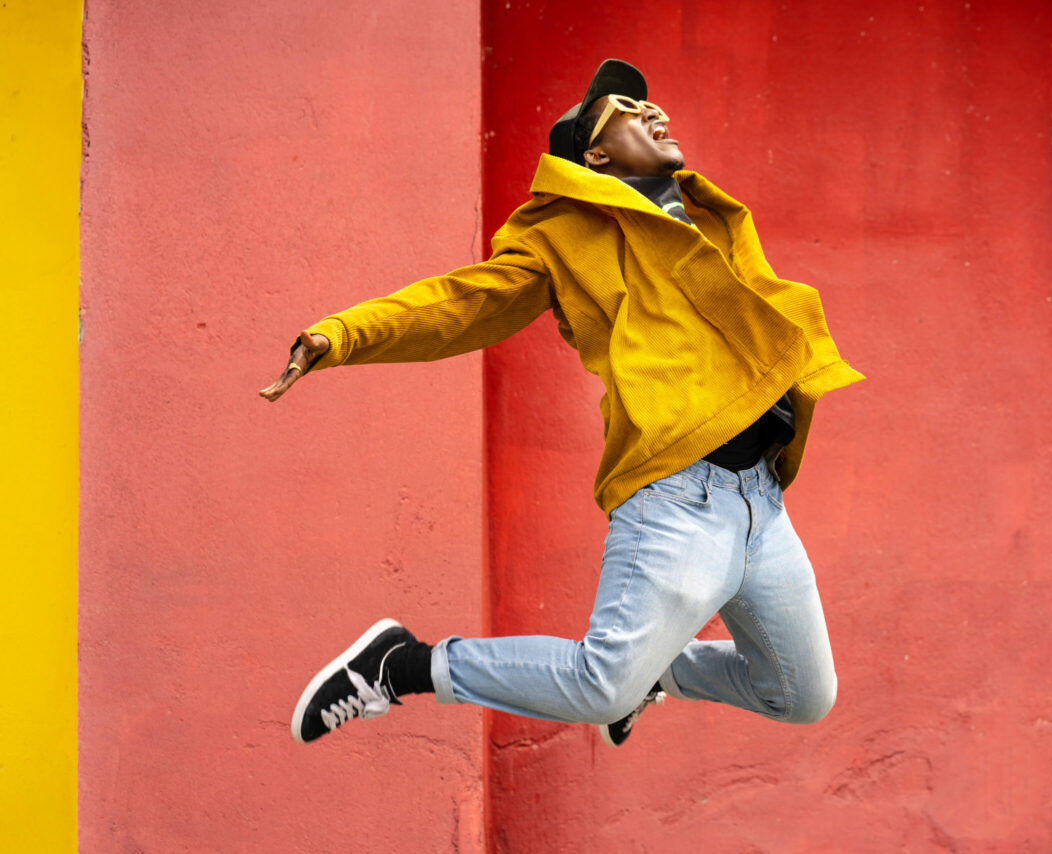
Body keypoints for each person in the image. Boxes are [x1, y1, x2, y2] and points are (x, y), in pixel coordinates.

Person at [262, 59, 864, 748]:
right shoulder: (562, 233)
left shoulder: (704, 216)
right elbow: (464, 302)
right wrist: (342, 335)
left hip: (761, 499)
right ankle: (401, 666)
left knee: (801, 694)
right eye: (628, 110)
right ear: (595, 155)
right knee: (601, 685)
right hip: (679, 492)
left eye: (653, 105)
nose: (654, 112)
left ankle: (656, 671)